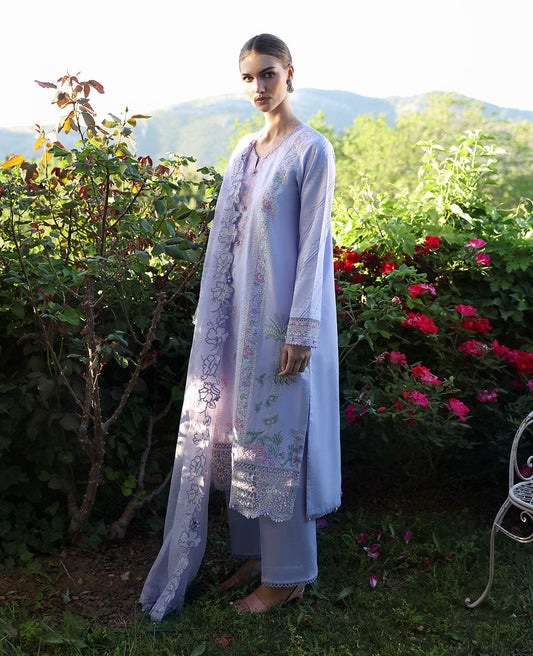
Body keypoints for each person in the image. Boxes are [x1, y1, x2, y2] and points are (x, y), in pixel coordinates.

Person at [140, 33, 341, 621]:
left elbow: (313, 246)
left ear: (290, 73)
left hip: (282, 325)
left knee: (281, 439)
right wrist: (216, 320)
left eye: (269, 74)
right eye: (249, 77)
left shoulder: (312, 150)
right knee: (243, 433)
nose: (259, 87)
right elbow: (227, 241)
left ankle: (288, 577)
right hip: (238, 323)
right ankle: (256, 554)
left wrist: (301, 329)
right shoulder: (245, 151)